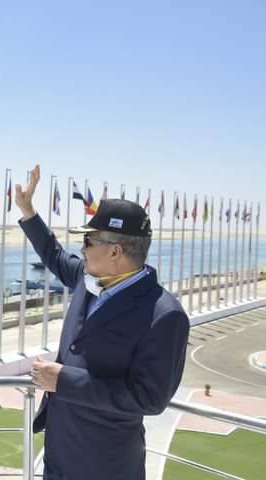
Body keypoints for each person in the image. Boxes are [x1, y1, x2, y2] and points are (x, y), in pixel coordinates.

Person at [15, 165, 189, 480]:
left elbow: (149, 398)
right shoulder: (88, 278)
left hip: (105, 467)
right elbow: (54, 255)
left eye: (88, 242)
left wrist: (63, 380)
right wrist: (28, 212)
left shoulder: (165, 315)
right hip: (58, 460)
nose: (82, 250)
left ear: (114, 251)